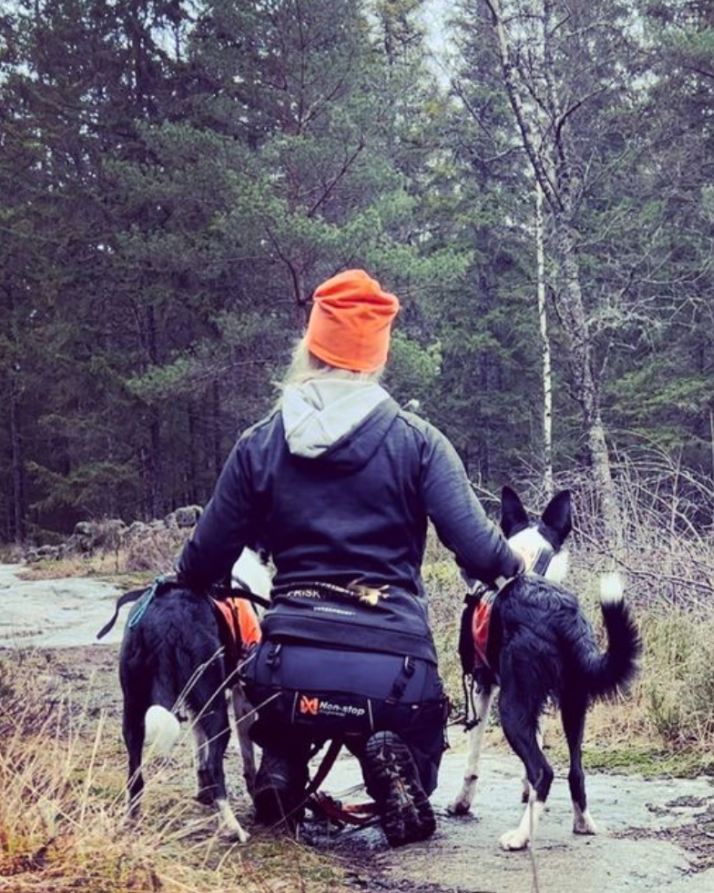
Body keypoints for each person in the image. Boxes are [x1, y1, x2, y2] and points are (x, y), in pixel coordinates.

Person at [176, 269, 522, 846]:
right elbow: (480, 549)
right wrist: (519, 568)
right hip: (393, 671)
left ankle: (283, 763)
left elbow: (204, 559)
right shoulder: (418, 441)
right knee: (411, 735)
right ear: (376, 357)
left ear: (311, 347)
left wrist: (182, 579)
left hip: (288, 667)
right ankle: (400, 766)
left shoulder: (260, 443)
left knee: (285, 710)